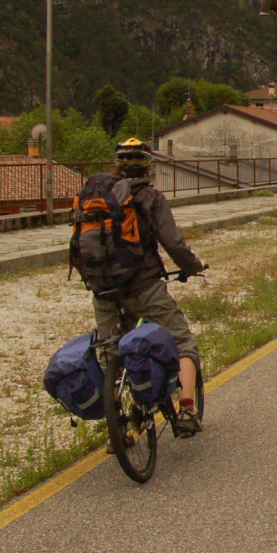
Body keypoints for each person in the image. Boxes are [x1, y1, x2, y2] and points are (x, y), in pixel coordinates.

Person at [93, 137, 206, 438]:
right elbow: (173, 243)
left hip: (102, 291)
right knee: (182, 341)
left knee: (109, 353)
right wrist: (192, 267)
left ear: (116, 166)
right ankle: (186, 409)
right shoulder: (151, 198)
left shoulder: (98, 198)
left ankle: (116, 429)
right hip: (144, 287)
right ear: (149, 166)